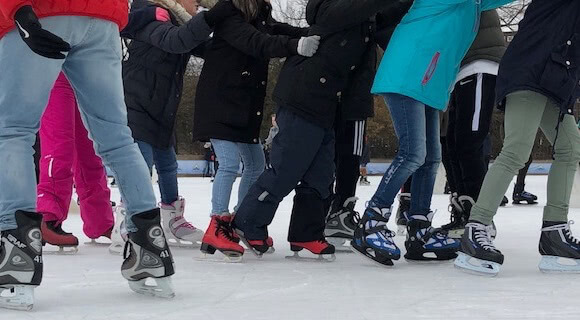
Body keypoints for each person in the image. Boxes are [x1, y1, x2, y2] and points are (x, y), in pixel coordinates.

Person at [0, 0, 176, 309]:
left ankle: (17, 255)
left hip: (40, 10)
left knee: (12, 131)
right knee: (117, 136)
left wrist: (15, 7)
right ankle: (150, 247)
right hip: (101, 18)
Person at [222, 0, 405, 261]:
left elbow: (388, 15)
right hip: (302, 95)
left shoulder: (368, 15)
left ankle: (306, 233)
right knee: (287, 168)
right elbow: (345, 13)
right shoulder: (329, 8)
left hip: (330, 102)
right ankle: (247, 222)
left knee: (320, 175)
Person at [351, 0, 512, 267]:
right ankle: (372, 221)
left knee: (430, 158)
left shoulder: (474, 4)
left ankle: (419, 229)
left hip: (429, 81)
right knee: (413, 153)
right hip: (410, 71)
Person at [455, 0, 580, 276]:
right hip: (530, 70)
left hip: (554, 78)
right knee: (516, 150)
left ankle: (554, 232)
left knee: (570, 148)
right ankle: (476, 227)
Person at [193, 0, 319, 260]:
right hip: (219, 103)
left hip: (245, 106)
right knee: (228, 163)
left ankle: (240, 218)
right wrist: (295, 46)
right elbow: (256, 43)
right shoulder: (230, 18)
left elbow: (278, 31)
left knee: (255, 163)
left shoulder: (261, 18)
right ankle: (217, 223)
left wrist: (313, 31)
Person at [120, 0, 236, 247]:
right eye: (194, 1)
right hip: (136, 105)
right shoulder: (151, 18)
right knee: (141, 167)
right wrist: (213, 16)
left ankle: (173, 218)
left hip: (163, 108)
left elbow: (210, 48)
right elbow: (177, 41)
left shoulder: (179, 24)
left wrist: (238, 28)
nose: (198, 4)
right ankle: (130, 220)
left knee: (168, 165)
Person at [324, 1, 413, 249]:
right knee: (345, 155)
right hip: (346, 94)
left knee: (344, 155)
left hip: (344, 93)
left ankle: (337, 208)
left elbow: (386, 26)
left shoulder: (369, 16)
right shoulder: (354, 12)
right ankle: (338, 209)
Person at [439, 9, 507, 238]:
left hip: (481, 63)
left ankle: (479, 216)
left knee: (470, 140)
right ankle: (463, 206)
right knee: (451, 142)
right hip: (459, 69)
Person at [37, 73, 114, 252]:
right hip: (54, 68)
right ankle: (48, 216)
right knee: (59, 144)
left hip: (85, 72)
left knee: (90, 150)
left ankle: (100, 220)